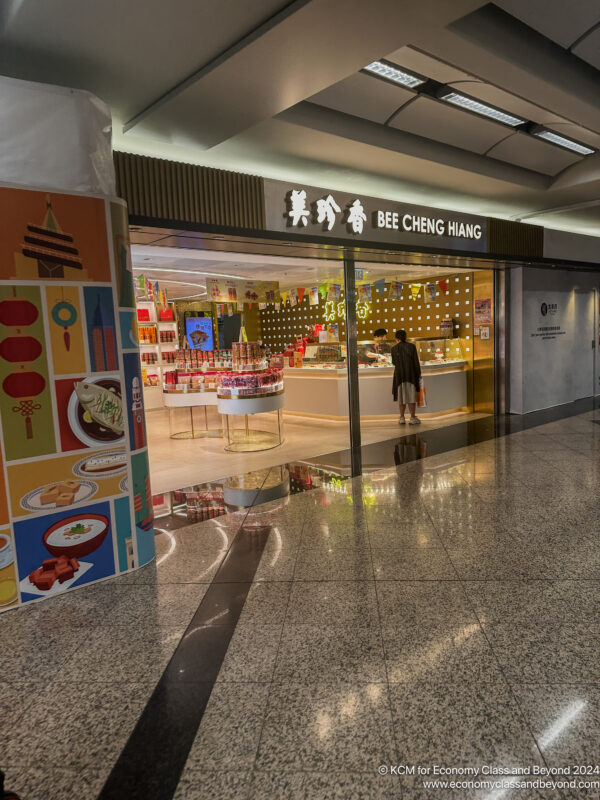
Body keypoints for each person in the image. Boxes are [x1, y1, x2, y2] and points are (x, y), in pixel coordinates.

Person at [391, 329, 421, 425]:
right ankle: (412, 417)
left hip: (399, 376)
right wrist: (418, 375)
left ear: (396, 338)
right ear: (405, 337)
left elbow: (394, 362)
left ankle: (402, 417)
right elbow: (416, 362)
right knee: (411, 397)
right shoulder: (411, 347)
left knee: (401, 397)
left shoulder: (393, 349)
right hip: (411, 375)